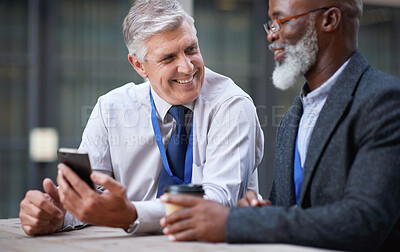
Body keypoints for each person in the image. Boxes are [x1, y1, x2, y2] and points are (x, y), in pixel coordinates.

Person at [160, 0, 400, 251]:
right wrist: (259, 210)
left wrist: (241, 222)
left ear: (329, 20)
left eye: (281, 21)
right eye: (270, 23)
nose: (271, 34)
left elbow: (362, 222)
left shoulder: (385, 102)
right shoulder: (293, 118)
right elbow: (289, 211)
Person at [19, 0, 264, 236]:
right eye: (169, 58)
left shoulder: (232, 105)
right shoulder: (111, 109)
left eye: (191, 49)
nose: (188, 67)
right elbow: (91, 193)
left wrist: (131, 214)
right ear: (139, 65)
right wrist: (60, 213)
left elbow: (219, 200)